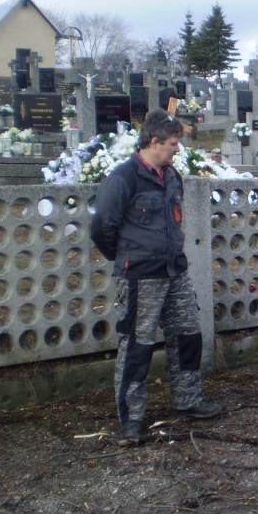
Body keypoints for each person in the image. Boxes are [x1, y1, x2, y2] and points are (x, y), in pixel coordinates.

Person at [90, 108, 222, 444]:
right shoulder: (123, 179)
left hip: (174, 271)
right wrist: (128, 260)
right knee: (137, 344)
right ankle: (132, 419)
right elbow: (102, 228)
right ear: (153, 142)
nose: (178, 149)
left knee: (189, 335)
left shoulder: (172, 177)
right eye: (174, 143)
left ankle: (187, 399)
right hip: (140, 277)